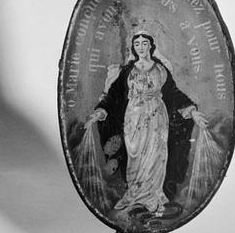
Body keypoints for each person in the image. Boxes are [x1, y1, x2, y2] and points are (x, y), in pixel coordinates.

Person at [85, 33, 207, 215]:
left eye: (144, 43)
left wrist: (193, 112)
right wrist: (99, 112)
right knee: (134, 155)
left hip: (157, 117)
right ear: (133, 48)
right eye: (137, 44)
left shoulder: (160, 69)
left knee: (156, 155)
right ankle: (133, 194)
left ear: (151, 46)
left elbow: (173, 93)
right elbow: (114, 95)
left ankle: (154, 196)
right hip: (133, 118)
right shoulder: (128, 71)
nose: (141, 47)